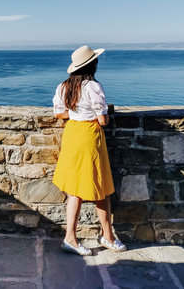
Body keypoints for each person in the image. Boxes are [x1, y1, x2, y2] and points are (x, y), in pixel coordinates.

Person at [52, 45, 127, 256]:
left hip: (73, 134)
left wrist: (77, 114)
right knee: (100, 188)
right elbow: (103, 120)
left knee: (76, 190)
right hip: (89, 137)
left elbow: (60, 114)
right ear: (91, 65)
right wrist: (95, 116)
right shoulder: (93, 87)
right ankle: (102, 236)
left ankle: (76, 238)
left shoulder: (64, 87)